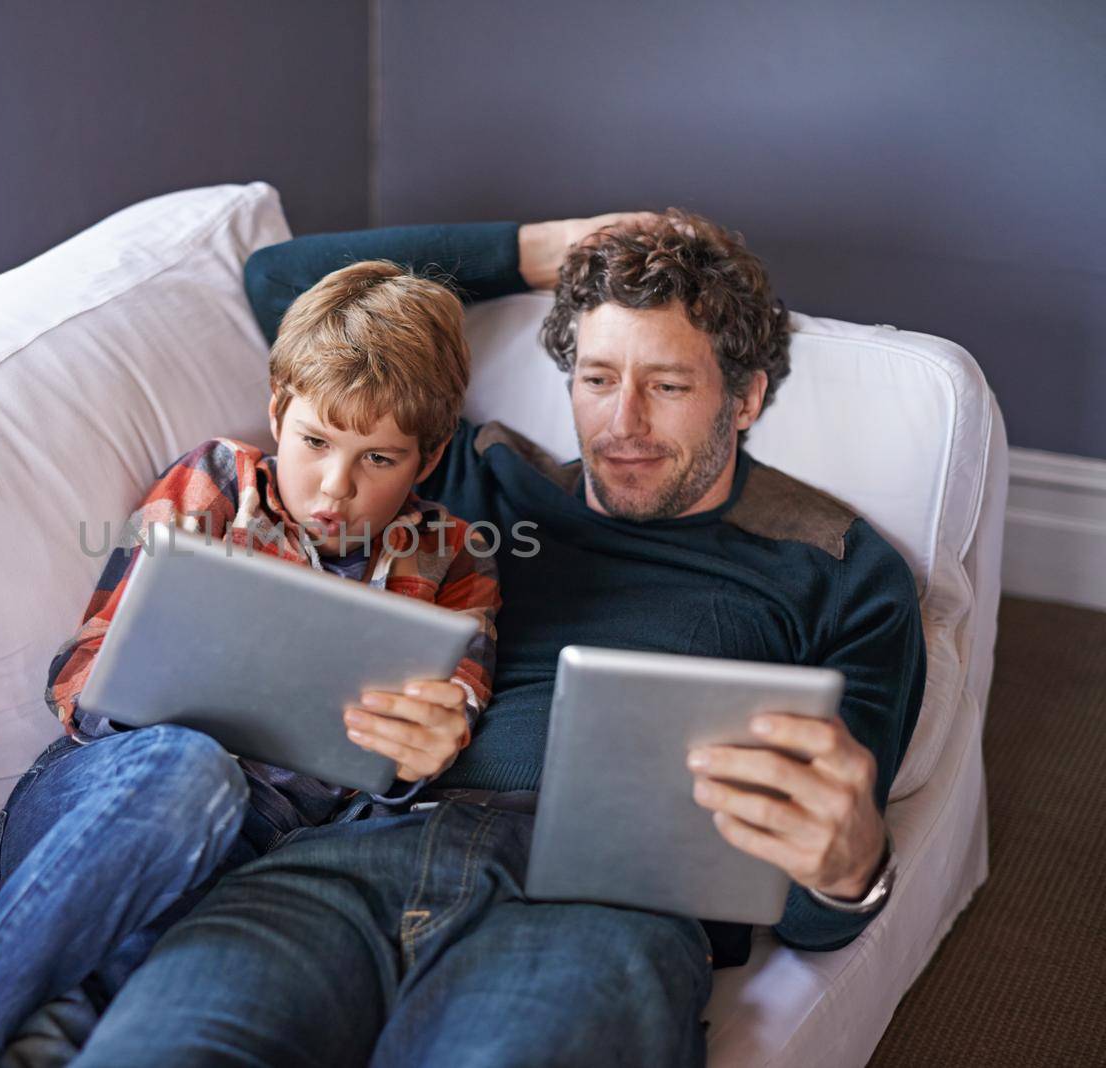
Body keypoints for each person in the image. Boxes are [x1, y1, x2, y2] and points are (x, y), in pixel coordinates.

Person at [58, 210, 925, 1067]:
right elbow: (280, 285)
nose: (621, 421)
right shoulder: (478, 475)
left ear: (745, 398)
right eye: (595, 378)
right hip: (346, 853)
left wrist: (852, 868)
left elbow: (819, 905)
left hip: (601, 906)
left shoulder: (839, 567)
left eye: (666, 385)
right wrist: (551, 249)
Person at [0, 260, 503, 1068]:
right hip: (105, 800)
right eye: (315, 442)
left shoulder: (458, 557)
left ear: (430, 456)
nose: (335, 488)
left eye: (379, 460)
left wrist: (429, 746)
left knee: (163, 973)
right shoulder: (214, 481)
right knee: (191, 769)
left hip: (268, 848)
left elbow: (450, 716)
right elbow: (81, 676)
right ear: (279, 410)